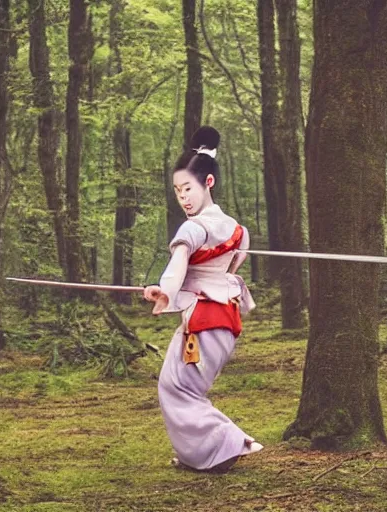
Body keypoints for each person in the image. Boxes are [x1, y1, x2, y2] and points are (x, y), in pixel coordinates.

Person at [144, 126, 263, 472]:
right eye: (178, 191)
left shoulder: (193, 228)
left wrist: (166, 291)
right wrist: (167, 290)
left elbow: (179, 264)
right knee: (175, 385)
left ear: (208, 183)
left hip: (204, 325)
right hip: (224, 323)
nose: (183, 198)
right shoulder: (239, 231)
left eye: (188, 189)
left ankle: (229, 444)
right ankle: (201, 454)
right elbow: (223, 272)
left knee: (178, 389)